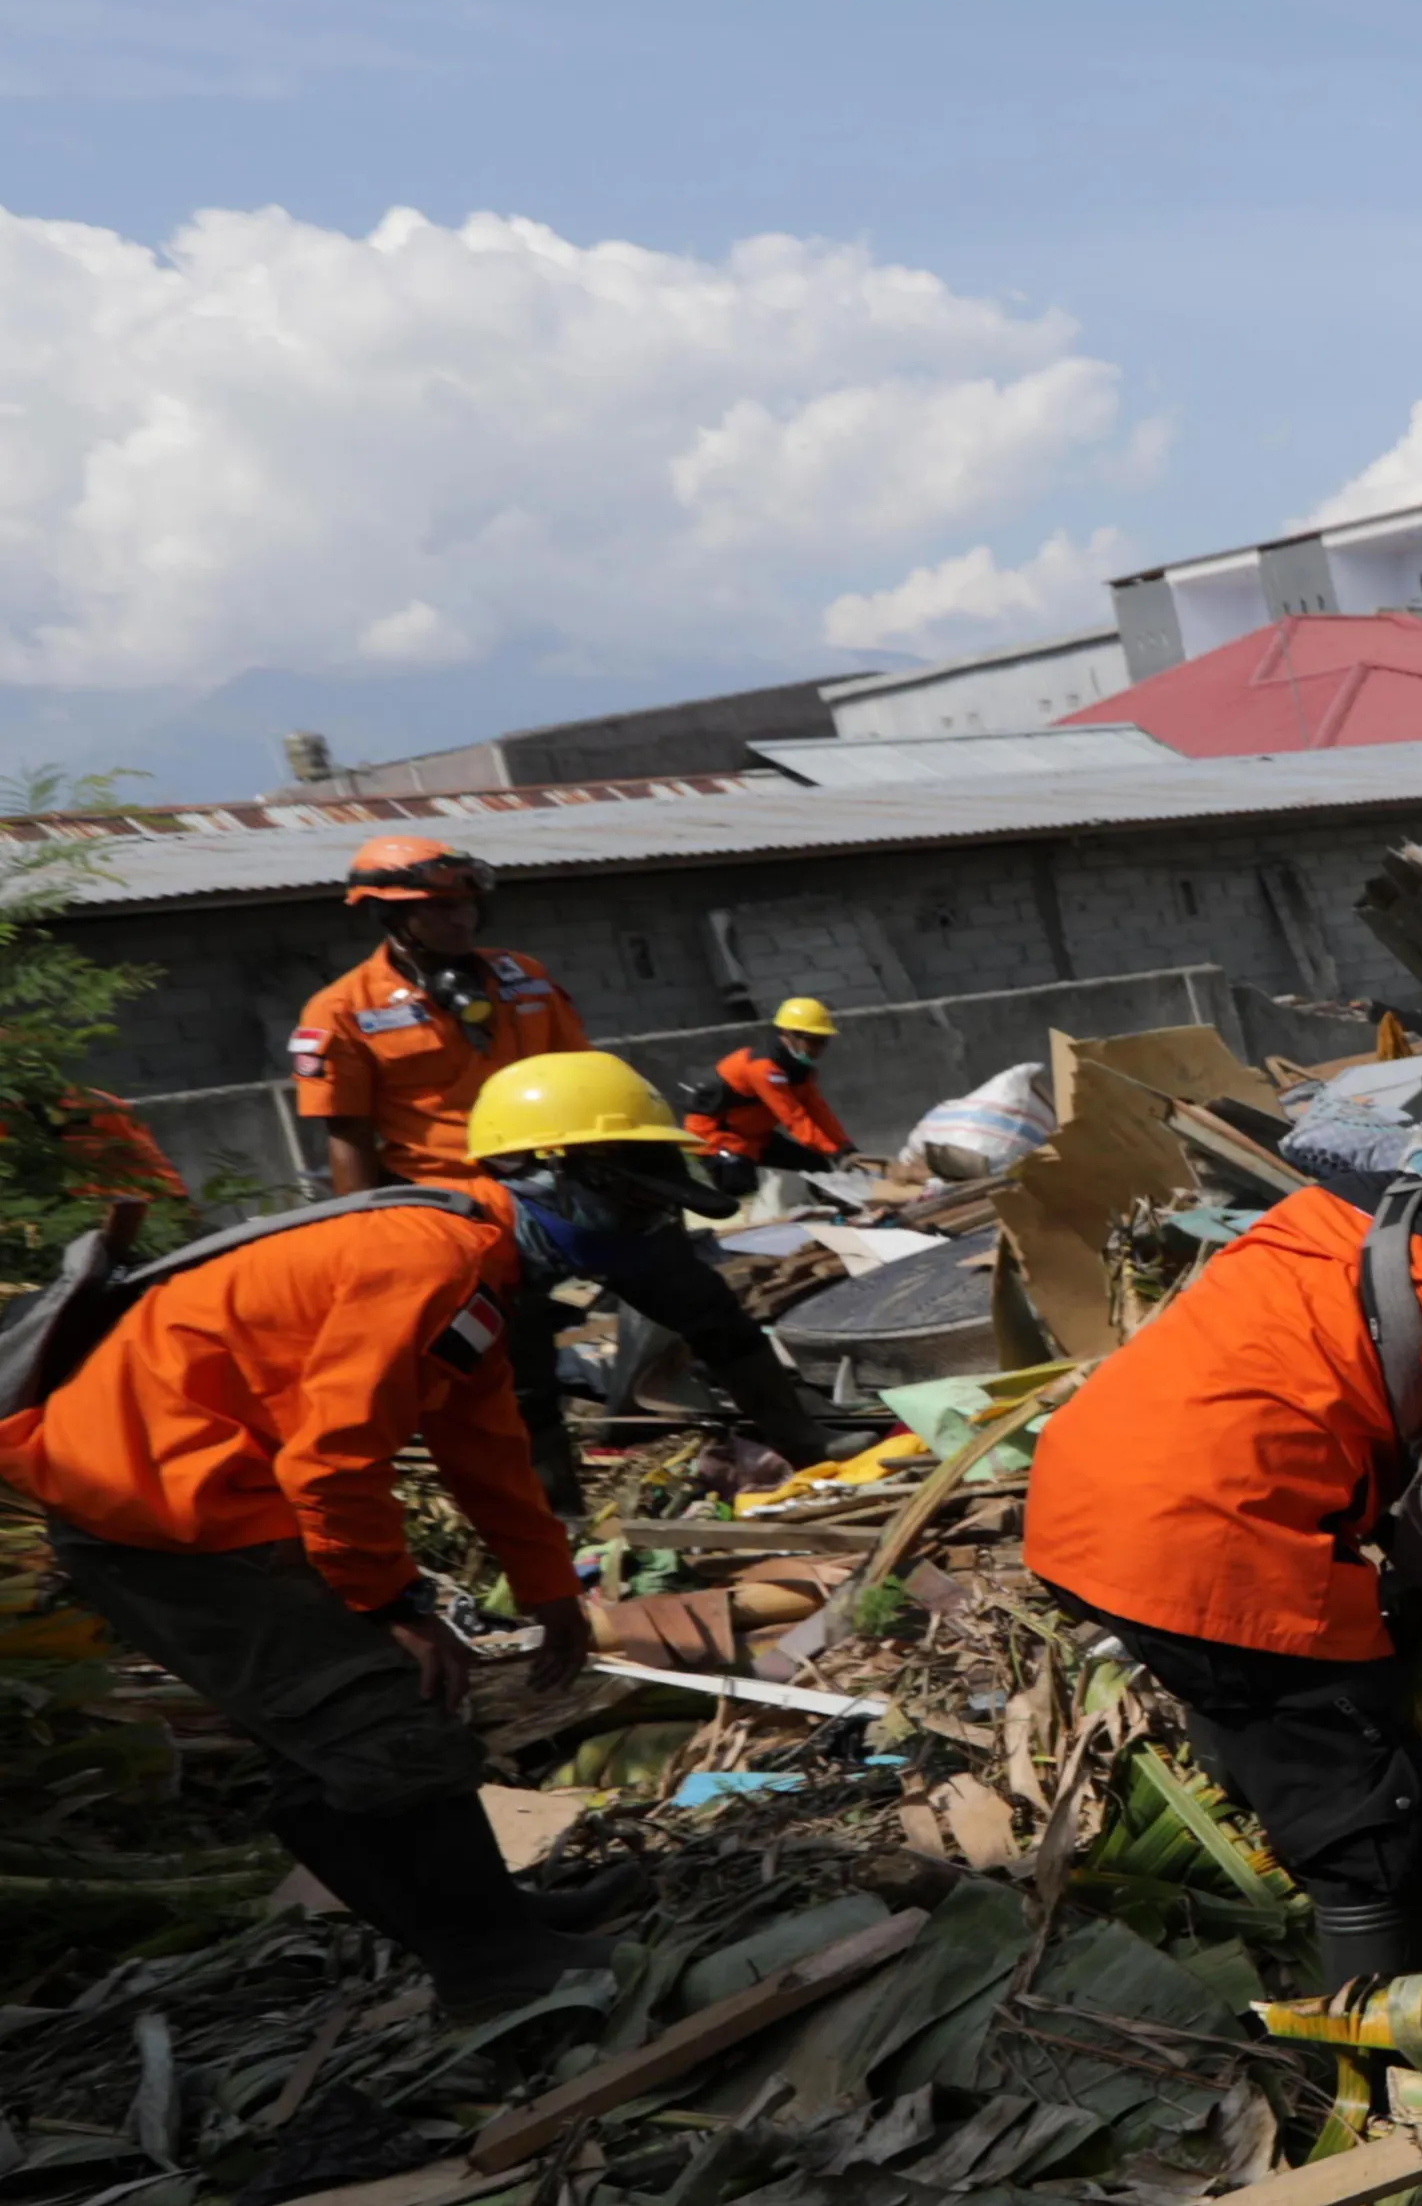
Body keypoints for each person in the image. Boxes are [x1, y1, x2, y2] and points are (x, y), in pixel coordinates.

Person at [0, 1067, 718, 2008]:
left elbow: (482, 1441)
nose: (639, 1229)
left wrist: (550, 1590)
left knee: (336, 1738)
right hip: (159, 1508)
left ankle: (493, 1921)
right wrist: (395, 1606)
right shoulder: (429, 1257)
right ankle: (492, 1961)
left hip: (184, 1493)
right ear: (550, 1173)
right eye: (629, 1199)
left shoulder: (470, 1259)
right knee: (379, 1718)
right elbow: (331, 1467)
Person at [1023, 1031, 1422, 1982]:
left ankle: (1268, 1786)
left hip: (1082, 1501)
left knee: (1285, 1705)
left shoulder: (1365, 1207)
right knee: (1375, 1832)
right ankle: (1394, 2058)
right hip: (1204, 1540)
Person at [479, 1058, 869, 1483]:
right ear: (539, 1173)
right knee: (523, 1378)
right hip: (515, 1269)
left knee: (711, 1309)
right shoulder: (461, 1251)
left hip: (582, 1184)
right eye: (629, 1200)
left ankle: (800, 1437)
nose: (646, 1216)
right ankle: (556, 1510)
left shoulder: (625, 1202)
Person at [292, 839, 588, 1191]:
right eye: (440, 908)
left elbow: (584, 1074)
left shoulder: (526, 976)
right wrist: (363, 1226)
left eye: (467, 906)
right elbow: (349, 1136)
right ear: (389, 914)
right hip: (445, 1197)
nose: (461, 919)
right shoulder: (341, 1010)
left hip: (562, 1179)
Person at [678, 998, 859, 1179]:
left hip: (754, 1136)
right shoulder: (764, 1068)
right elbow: (793, 1117)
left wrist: (845, 1147)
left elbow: (818, 1110)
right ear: (789, 1034)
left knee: (817, 1165)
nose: (819, 1049)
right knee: (738, 1178)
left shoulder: (800, 1070)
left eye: (824, 1041)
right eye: (814, 1041)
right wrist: (832, 1151)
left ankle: (829, 1204)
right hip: (712, 1136)